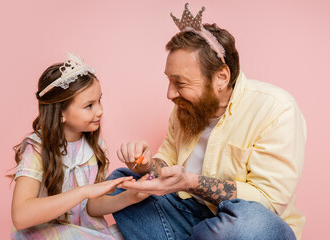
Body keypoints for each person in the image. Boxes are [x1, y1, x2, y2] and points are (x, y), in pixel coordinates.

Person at [108, 3, 306, 240]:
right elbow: (168, 161)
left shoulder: (275, 109)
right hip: (189, 212)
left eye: (180, 83)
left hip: (240, 222)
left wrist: (190, 182)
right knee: (120, 183)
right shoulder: (185, 108)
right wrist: (147, 165)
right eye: (169, 81)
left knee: (250, 226)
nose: (170, 94)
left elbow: (269, 203)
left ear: (221, 77)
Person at [9, 52, 149, 239]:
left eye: (99, 100)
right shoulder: (36, 149)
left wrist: (129, 197)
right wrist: (83, 191)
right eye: (89, 105)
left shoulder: (94, 146)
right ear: (61, 113)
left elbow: (90, 207)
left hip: (86, 229)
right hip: (47, 233)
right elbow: (21, 216)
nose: (100, 110)